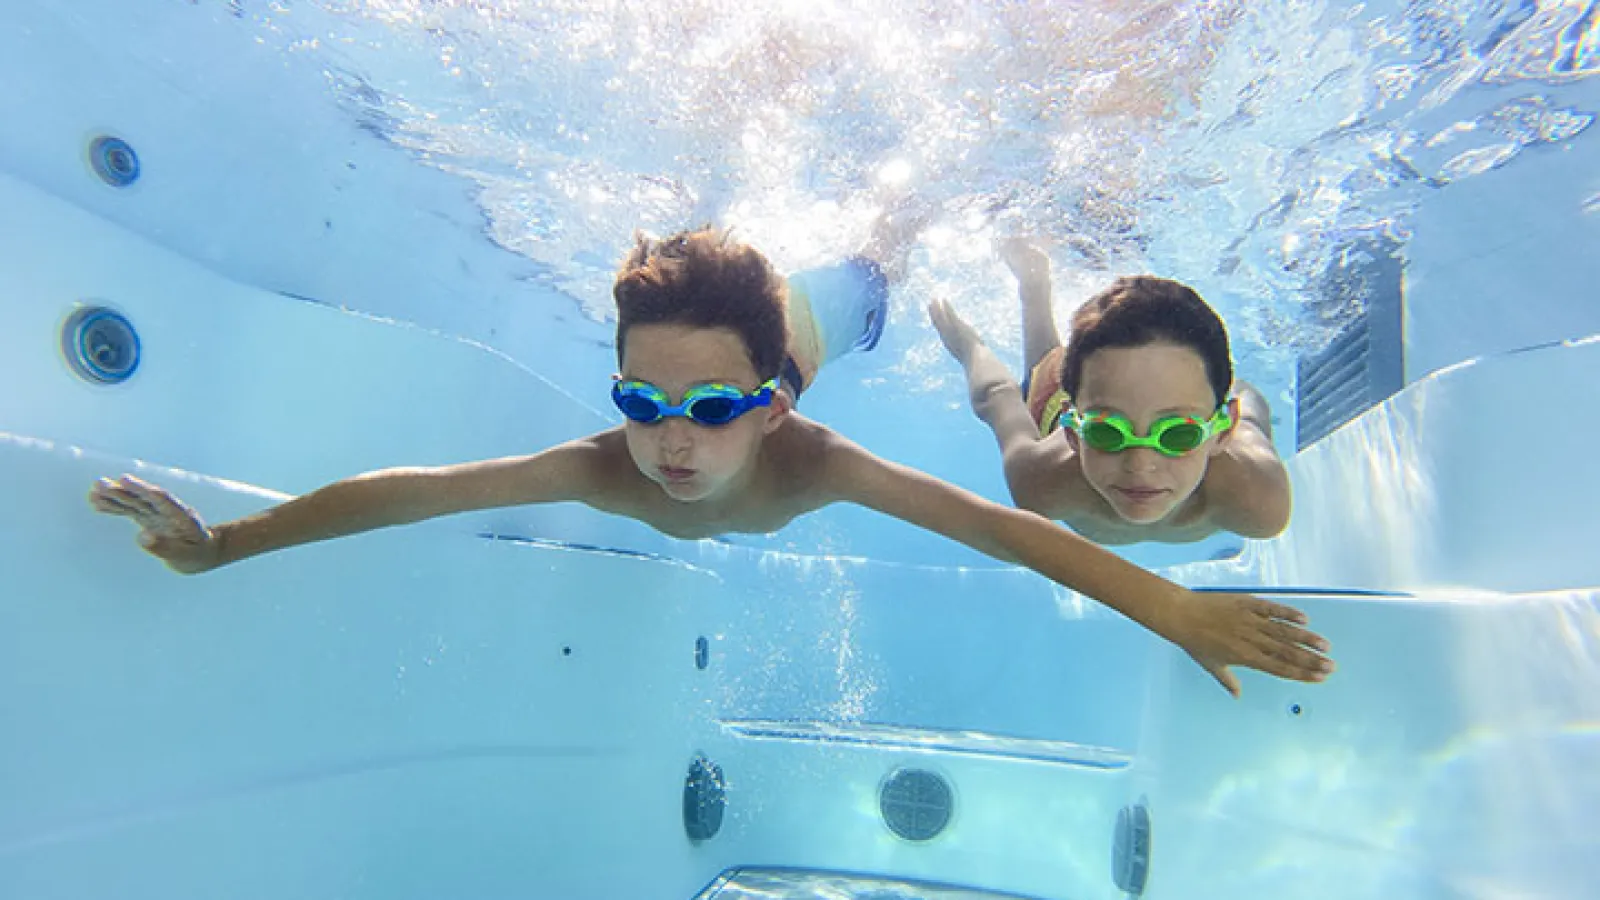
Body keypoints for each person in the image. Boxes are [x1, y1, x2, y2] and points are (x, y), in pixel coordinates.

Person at [91, 227, 1331, 697]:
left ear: (778, 408)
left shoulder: (811, 455)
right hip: (768, 345)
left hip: (799, 338)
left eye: (713, 411)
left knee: (860, 279)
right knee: (768, 337)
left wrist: (1175, 612)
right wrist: (224, 548)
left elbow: (1002, 530)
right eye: (642, 401)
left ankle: (884, 248)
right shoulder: (607, 461)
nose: (672, 441)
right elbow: (412, 494)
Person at [929, 239, 1292, 546]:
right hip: (1060, 400)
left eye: (1179, 433)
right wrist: (968, 347)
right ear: (1072, 435)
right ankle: (1034, 285)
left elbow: (1249, 413)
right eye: (1108, 433)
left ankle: (1037, 288)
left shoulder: (1257, 499)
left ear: (1222, 433)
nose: (1139, 464)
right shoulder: (1044, 482)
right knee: (1042, 366)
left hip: (1167, 402)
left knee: (1236, 399)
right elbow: (997, 397)